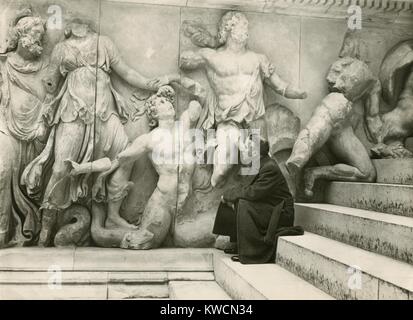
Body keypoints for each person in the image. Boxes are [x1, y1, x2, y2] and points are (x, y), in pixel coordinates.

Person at [21, 19, 169, 246]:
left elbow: (126, 72)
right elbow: (51, 81)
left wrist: (151, 84)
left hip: (105, 112)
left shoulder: (104, 43)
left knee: (125, 154)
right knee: (61, 167)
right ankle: (46, 229)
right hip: (72, 112)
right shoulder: (61, 48)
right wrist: (44, 115)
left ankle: (112, 215)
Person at [67, 79, 205, 249]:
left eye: (168, 101)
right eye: (161, 102)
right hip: (163, 201)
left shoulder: (183, 125)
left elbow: (200, 97)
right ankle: (101, 229)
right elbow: (120, 160)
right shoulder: (148, 140)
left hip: (186, 201)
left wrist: (173, 79)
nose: (168, 104)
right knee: (145, 241)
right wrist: (85, 168)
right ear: (154, 113)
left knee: (189, 238)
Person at [180, 11, 307, 188]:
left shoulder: (258, 60)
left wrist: (300, 93)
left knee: (252, 172)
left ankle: (242, 207)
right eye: (243, 25)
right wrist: (214, 41)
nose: (247, 29)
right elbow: (183, 61)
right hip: (227, 120)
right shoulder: (212, 56)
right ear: (229, 28)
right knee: (221, 170)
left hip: (254, 121)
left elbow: (281, 86)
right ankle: (223, 195)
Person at [0, 10, 49, 246]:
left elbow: (52, 98)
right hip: (6, 126)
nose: (39, 42)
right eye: (35, 36)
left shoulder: (46, 66)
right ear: (21, 36)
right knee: (3, 169)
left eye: (41, 38)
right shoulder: (4, 64)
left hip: (37, 133)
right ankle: (3, 231)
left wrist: (42, 124)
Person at [212, 138, 303, 264]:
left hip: (280, 212)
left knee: (243, 203)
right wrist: (228, 196)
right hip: (268, 206)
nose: (245, 149)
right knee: (234, 200)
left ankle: (250, 252)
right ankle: (236, 242)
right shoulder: (259, 164)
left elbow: (254, 193)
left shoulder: (269, 167)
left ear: (255, 152)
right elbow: (246, 187)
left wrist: (230, 196)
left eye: (249, 147)